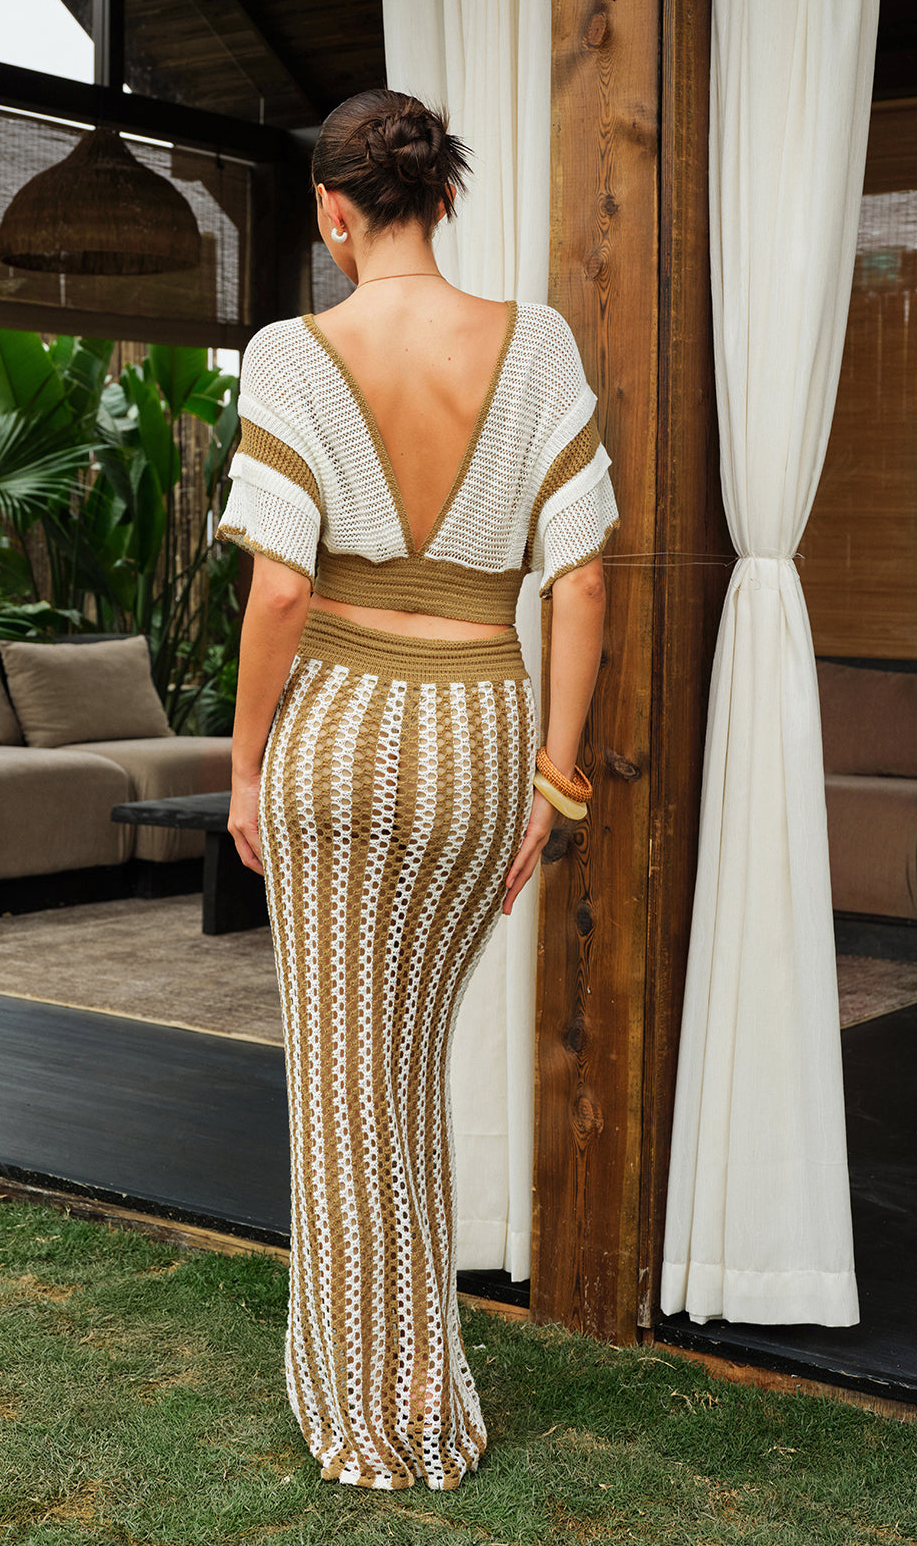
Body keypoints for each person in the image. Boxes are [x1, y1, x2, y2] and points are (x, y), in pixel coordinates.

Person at [215, 88, 618, 1492]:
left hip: (339, 733)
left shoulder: (294, 351)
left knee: (345, 1084)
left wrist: (244, 762)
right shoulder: (538, 344)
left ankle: (373, 1412)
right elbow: (581, 584)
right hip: (480, 741)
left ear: (333, 211)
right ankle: (420, 1378)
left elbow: (280, 591)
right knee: (403, 1073)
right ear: (441, 199)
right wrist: (556, 785)